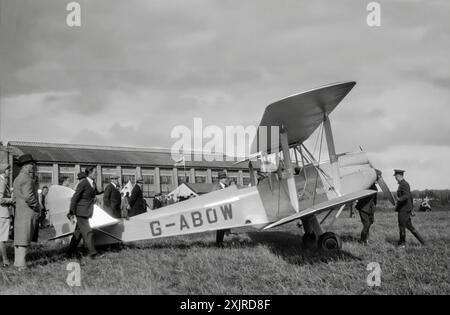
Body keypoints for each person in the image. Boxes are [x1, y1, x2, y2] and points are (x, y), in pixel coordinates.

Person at [67, 166, 103, 259]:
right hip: (81, 212)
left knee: (78, 234)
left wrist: (105, 190)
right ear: (90, 173)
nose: (97, 174)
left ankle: (69, 253)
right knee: (88, 232)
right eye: (95, 172)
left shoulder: (92, 183)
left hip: (87, 211)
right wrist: (71, 212)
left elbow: (94, 192)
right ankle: (93, 254)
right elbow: (75, 198)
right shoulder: (83, 183)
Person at [13, 154, 40, 270]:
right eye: (31, 164)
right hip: (27, 212)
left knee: (19, 240)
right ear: (25, 166)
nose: (33, 166)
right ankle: (22, 265)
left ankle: (17, 263)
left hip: (20, 212)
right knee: (24, 240)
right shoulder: (27, 179)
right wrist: (37, 206)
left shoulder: (18, 178)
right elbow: (29, 197)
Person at [394, 169, 426, 247]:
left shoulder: (404, 184)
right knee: (409, 226)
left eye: (395, 176)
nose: (395, 178)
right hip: (406, 209)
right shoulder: (402, 184)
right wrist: (411, 209)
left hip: (403, 210)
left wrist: (399, 199)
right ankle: (423, 242)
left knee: (401, 226)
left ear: (399, 176)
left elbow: (407, 195)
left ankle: (402, 243)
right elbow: (410, 197)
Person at [0, 164, 14, 267]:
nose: (9, 171)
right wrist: (11, 200)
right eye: (8, 170)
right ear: (4, 171)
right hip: (3, 213)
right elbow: (0, 199)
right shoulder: (2, 182)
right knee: (2, 238)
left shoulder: (4, 182)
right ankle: (5, 260)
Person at [214, 171, 230, 246]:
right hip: (219, 209)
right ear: (219, 179)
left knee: (223, 227)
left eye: (225, 177)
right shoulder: (216, 187)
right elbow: (213, 198)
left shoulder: (227, 187)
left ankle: (221, 242)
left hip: (225, 209)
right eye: (223, 178)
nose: (225, 179)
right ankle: (218, 243)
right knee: (220, 227)